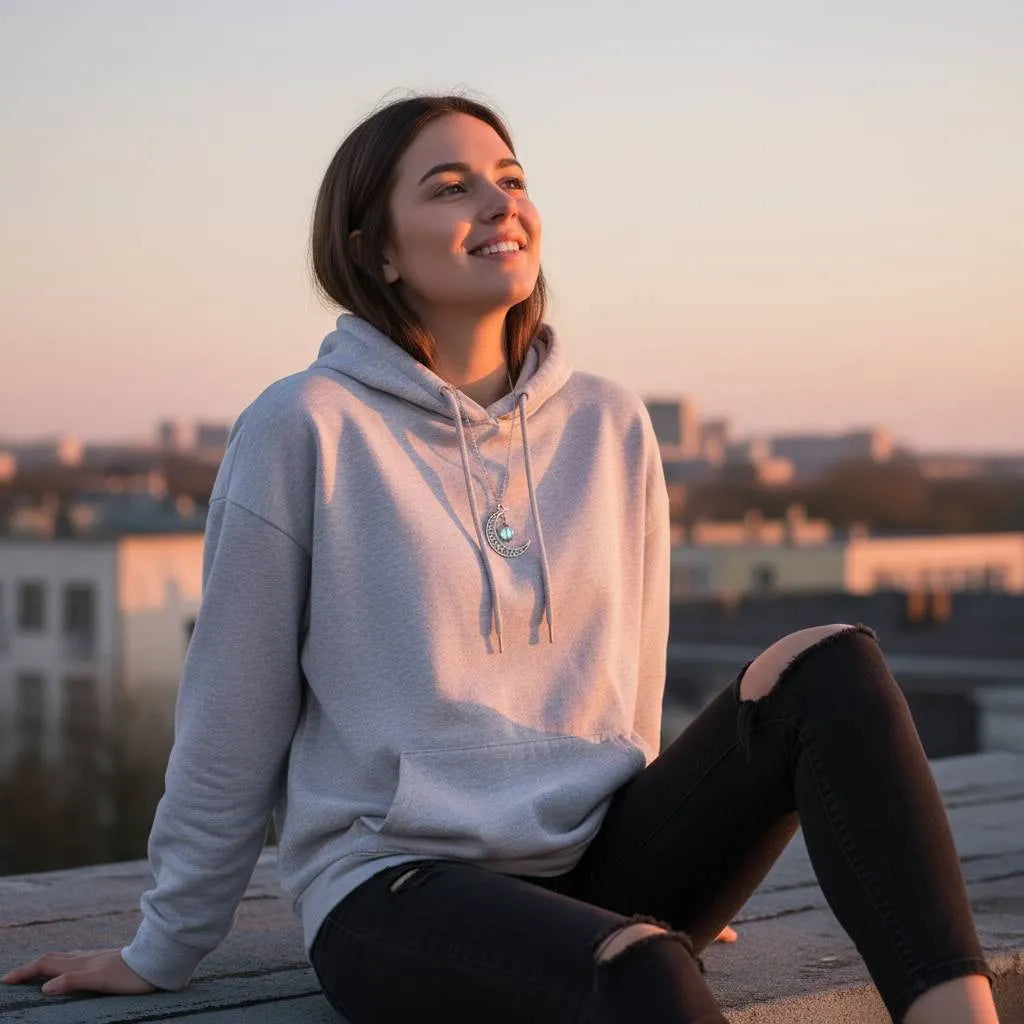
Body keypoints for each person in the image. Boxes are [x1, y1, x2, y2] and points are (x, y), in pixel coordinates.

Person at [2, 94, 1000, 1024]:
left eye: (511, 178)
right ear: (376, 251)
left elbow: (625, 689)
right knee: (646, 971)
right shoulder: (304, 429)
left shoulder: (610, 424)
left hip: (601, 865)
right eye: (450, 186)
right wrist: (163, 944)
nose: (498, 201)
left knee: (830, 662)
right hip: (398, 888)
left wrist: (685, 854)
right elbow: (230, 716)